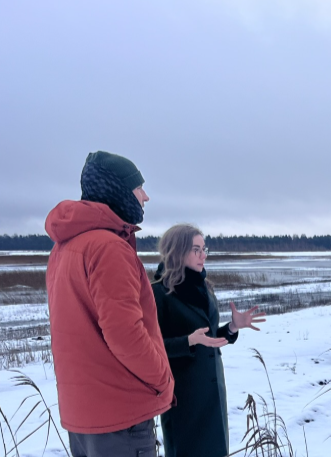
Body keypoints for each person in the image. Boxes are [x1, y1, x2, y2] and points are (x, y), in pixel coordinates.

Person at [45, 151, 174, 456]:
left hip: (85, 414)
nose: (146, 196)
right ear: (116, 191)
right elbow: (125, 334)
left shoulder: (65, 247)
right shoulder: (108, 247)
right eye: (138, 187)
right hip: (120, 416)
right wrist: (163, 381)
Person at [152, 223, 266, 457]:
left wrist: (233, 327)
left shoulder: (204, 286)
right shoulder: (158, 293)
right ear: (177, 250)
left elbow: (209, 338)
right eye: (196, 249)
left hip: (212, 394)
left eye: (205, 249)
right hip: (183, 397)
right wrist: (188, 342)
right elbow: (151, 347)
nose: (203, 255)